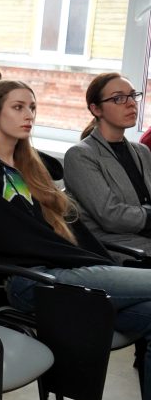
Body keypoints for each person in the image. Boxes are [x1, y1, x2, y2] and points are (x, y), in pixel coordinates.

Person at [0, 80, 151, 400]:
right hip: (33, 282)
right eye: (18, 107)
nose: (29, 115)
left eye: (32, 107)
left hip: (67, 275)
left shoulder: (32, 168)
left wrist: (96, 261)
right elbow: (14, 239)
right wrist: (89, 263)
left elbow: (72, 227)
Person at [64, 73, 151, 260]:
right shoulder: (80, 155)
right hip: (118, 249)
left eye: (132, 95)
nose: (131, 103)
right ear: (96, 109)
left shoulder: (142, 151)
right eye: (118, 98)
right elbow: (110, 216)